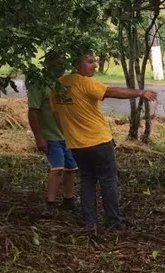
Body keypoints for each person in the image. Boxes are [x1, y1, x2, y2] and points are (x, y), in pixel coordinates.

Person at [51, 51, 157, 230]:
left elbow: (55, 115)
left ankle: (89, 222)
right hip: (98, 142)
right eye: (90, 62)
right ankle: (114, 221)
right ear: (77, 64)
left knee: (87, 179)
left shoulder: (59, 85)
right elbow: (111, 91)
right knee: (108, 180)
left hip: (76, 144)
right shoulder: (84, 83)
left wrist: (69, 133)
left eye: (95, 62)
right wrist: (140, 92)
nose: (95, 65)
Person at [27, 53, 77, 216]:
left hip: (67, 135)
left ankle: (69, 200)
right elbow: (33, 111)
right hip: (51, 135)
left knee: (71, 168)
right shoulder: (39, 84)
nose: (61, 66)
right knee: (57, 168)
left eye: (63, 63)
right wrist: (39, 136)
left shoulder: (65, 83)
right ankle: (50, 203)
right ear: (48, 65)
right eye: (57, 63)